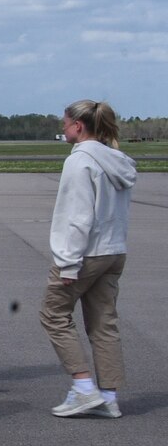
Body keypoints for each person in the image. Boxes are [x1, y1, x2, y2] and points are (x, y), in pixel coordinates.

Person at [45, 100, 136, 418]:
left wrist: (68, 262)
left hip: (86, 254)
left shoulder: (80, 161)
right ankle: (108, 396)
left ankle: (84, 388)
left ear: (78, 126)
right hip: (114, 251)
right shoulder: (118, 160)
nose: (63, 128)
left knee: (54, 315)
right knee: (103, 323)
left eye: (65, 123)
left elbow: (77, 216)